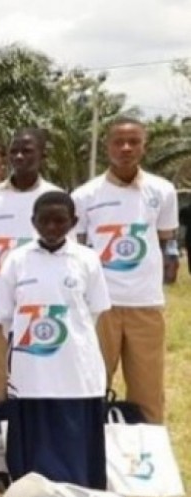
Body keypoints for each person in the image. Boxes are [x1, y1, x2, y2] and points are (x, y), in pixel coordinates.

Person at [0, 192, 110, 488]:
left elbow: (95, 310)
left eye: (60, 221)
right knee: (34, 418)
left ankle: (79, 481)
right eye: (45, 221)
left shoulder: (87, 258)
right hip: (31, 363)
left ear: (74, 222)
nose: (52, 227)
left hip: (75, 363)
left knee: (74, 418)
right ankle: (32, 483)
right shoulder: (17, 260)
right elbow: (6, 315)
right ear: (33, 222)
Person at [71, 116, 178, 425]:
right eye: (119, 142)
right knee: (92, 384)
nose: (126, 148)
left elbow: (166, 241)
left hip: (145, 304)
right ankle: (89, 453)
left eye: (134, 142)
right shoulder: (85, 196)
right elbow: (77, 251)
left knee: (148, 391)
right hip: (100, 306)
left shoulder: (163, 190)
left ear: (145, 146)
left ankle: (149, 459)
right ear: (107, 147)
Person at [0, 129, 61, 412]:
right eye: (14, 151)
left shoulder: (55, 196)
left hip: (41, 308)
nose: (20, 157)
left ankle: (35, 442)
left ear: (43, 155)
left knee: (38, 378)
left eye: (27, 151)